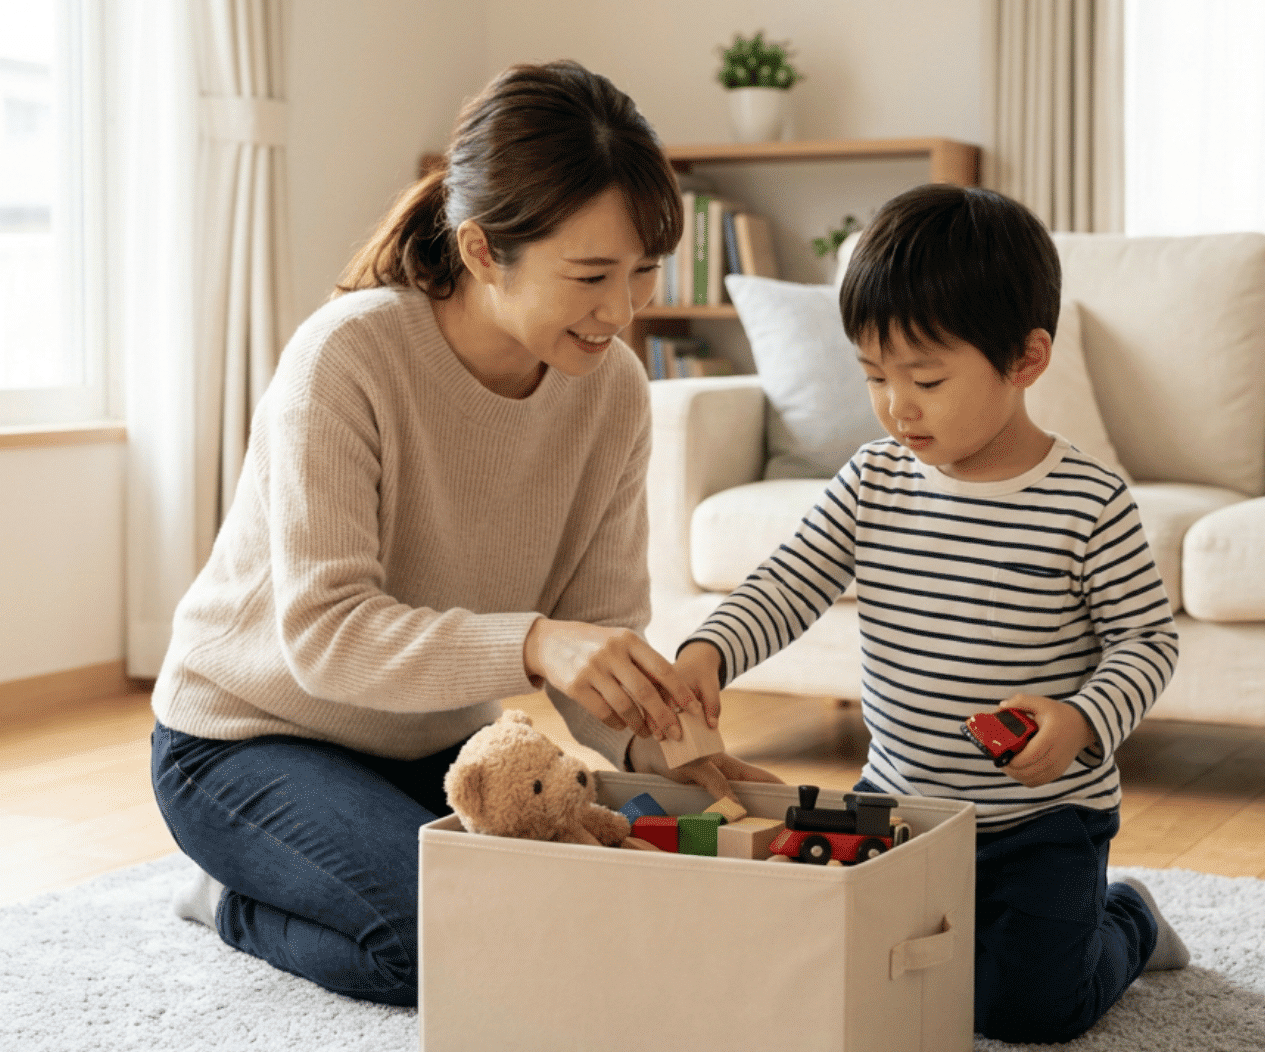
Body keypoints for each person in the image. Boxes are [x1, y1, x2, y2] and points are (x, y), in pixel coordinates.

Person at [148, 61, 777, 1006]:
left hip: (432, 751)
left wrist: (671, 751)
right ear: (484, 249)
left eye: (642, 270)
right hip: (247, 738)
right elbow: (324, 635)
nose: (622, 310)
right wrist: (534, 642)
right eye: (591, 275)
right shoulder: (347, 358)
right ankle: (230, 900)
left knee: (588, 908)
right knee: (440, 944)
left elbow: (599, 631)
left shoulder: (612, 392)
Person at [670, 184, 1191, 1044]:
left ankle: (1128, 916)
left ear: (1026, 359)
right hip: (899, 804)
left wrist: (1081, 719)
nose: (896, 407)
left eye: (927, 379)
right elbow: (790, 580)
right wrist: (710, 650)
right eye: (875, 376)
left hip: (1042, 822)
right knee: (841, 975)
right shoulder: (873, 480)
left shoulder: (1088, 501)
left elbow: (1147, 641)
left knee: (1030, 1011)